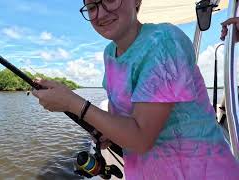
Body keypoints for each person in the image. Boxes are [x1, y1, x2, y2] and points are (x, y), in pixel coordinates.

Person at [33, 0, 239, 179]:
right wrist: (109, 132)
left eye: (110, 0)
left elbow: (140, 138)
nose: (101, 13)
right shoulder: (109, 54)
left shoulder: (164, 41)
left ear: (137, 1)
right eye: (92, 6)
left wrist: (72, 103)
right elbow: (125, 120)